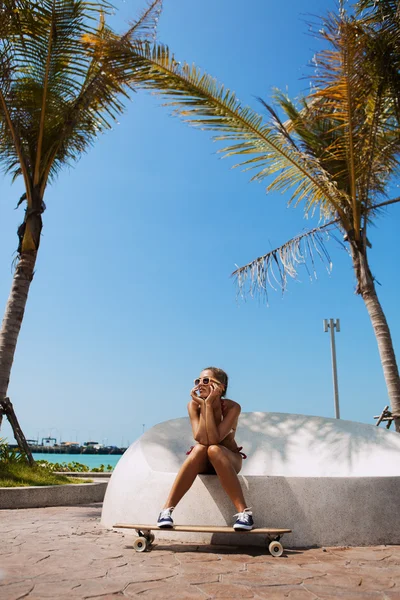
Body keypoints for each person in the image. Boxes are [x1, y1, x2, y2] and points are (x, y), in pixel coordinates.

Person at [157, 367, 254, 530]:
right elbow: (201, 438)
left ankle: (245, 514)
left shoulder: (232, 408)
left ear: (220, 387)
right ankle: (166, 511)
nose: (200, 384)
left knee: (214, 449)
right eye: (198, 381)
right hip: (204, 461)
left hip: (228, 460)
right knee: (200, 449)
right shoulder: (193, 406)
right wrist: (204, 405)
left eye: (206, 381)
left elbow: (215, 439)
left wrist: (208, 404)